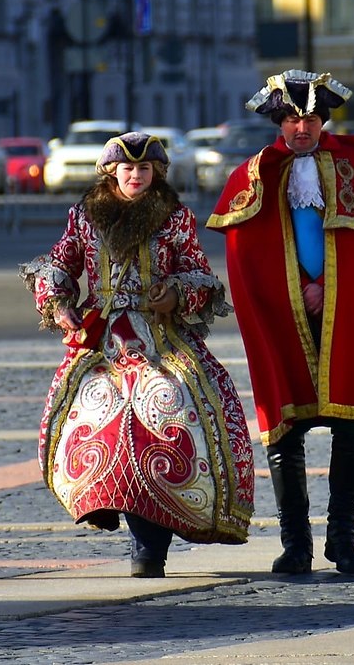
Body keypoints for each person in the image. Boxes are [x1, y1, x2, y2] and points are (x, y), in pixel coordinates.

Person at [207, 69, 354, 576]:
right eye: (292, 118)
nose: (301, 128)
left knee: (353, 427)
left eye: (310, 118)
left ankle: (344, 539)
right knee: (285, 431)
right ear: (278, 121)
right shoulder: (254, 175)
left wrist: (332, 288)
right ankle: (296, 544)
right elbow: (249, 261)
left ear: (323, 121)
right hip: (284, 318)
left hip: (346, 312)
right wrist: (294, 290)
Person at [19, 131, 255, 578]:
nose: (135, 175)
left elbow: (200, 275)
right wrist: (59, 302)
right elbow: (58, 265)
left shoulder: (175, 217)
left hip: (161, 341)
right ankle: (114, 517)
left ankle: (151, 546)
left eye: (144, 169)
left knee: (169, 422)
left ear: (156, 173)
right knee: (99, 430)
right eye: (127, 168)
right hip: (104, 344)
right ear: (111, 173)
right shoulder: (85, 215)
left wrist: (177, 294)